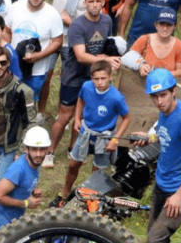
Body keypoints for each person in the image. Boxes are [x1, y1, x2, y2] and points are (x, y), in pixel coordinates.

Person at [44, 0, 120, 168]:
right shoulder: (77, 25)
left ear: (103, 3)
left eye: (98, 1)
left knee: (84, 116)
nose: (94, 5)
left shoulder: (107, 20)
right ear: (85, 3)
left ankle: (73, 148)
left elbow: (106, 45)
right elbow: (81, 55)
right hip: (73, 76)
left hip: (93, 78)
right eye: (90, 1)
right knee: (65, 116)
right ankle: (49, 152)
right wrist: (105, 59)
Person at [133, 69, 181, 243]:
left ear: (173, 92)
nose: (159, 101)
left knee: (155, 240)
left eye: (163, 95)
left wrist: (180, 195)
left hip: (180, 187)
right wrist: (150, 137)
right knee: (155, 235)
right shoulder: (164, 111)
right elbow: (168, 135)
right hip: (162, 182)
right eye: (154, 97)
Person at [50, 60, 131, 207]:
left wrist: (115, 140)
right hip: (86, 132)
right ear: (91, 78)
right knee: (73, 164)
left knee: (97, 171)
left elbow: (127, 118)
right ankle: (64, 194)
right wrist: (77, 118)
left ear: (110, 77)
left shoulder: (116, 97)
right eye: (96, 79)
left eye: (103, 78)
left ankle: (91, 201)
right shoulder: (87, 87)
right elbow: (80, 100)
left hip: (104, 136)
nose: (99, 82)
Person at [4, 0, 63, 126]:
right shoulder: (15, 8)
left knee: (30, 100)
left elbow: (57, 41)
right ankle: (11, 127)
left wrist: (39, 56)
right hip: (14, 66)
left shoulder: (52, 14)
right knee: (11, 97)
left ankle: (28, 128)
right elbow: (6, 32)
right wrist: (8, 52)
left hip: (37, 69)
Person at [0, 45, 37, 195]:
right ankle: (4, 213)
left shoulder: (23, 91)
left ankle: (0, 212)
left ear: (8, 63)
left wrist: (21, 150)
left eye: (3, 63)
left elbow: (31, 123)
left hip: (9, 147)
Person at [0, 126, 49, 233]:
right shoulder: (18, 170)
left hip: (12, 223)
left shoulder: (35, 163)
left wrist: (32, 190)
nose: (38, 154)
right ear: (26, 149)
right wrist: (26, 203)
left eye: (42, 149)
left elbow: (21, 183)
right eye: (34, 149)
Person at [130, 8, 181, 78]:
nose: (165, 28)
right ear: (156, 25)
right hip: (142, 83)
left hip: (166, 85)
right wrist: (141, 66)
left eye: (169, 25)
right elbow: (130, 57)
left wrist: (162, 75)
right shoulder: (144, 39)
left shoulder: (178, 45)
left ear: (175, 26)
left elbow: (180, 71)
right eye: (162, 24)